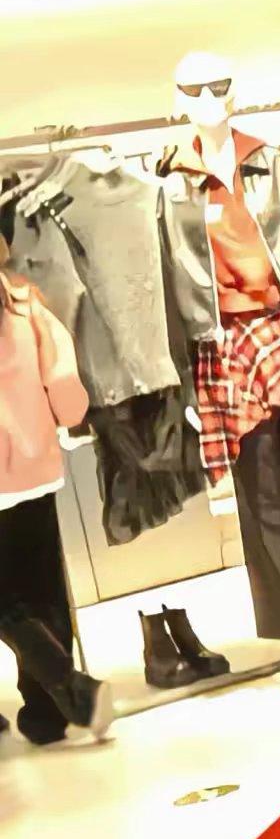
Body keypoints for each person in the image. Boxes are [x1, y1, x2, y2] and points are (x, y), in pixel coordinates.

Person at [0, 244, 114, 745]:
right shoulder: (26, 306)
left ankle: (72, 690)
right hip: (35, 469)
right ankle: (45, 713)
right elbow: (65, 386)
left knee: (7, 598)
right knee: (42, 585)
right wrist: (62, 417)